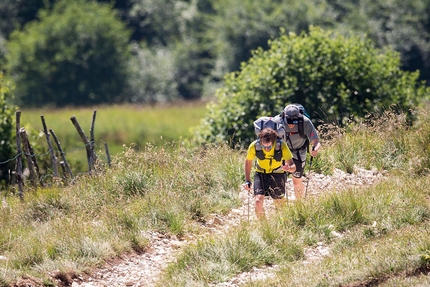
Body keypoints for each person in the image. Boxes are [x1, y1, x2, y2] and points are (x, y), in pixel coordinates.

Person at [243, 128, 296, 220]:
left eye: (269, 147)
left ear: (273, 141)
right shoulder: (254, 145)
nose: (266, 149)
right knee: (258, 201)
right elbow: (248, 161)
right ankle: (263, 227)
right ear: (261, 142)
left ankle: (282, 223)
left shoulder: (281, 145)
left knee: (279, 203)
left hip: (278, 174)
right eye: (264, 147)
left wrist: (289, 168)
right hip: (261, 173)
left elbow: (293, 166)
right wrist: (247, 180)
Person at [282, 104, 321, 200]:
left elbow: (316, 141)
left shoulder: (305, 122)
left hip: (299, 152)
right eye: (289, 122)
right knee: (280, 179)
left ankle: (299, 204)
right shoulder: (278, 121)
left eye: (293, 122)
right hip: (283, 153)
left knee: (296, 180)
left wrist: (315, 148)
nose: (291, 124)